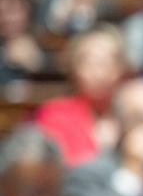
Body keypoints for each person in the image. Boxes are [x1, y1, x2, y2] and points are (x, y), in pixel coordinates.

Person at [34, 26, 128, 168]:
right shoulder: (54, 114)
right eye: (89, 62)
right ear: (73, 68)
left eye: (108, 62)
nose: (99, 72)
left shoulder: (131, 113)